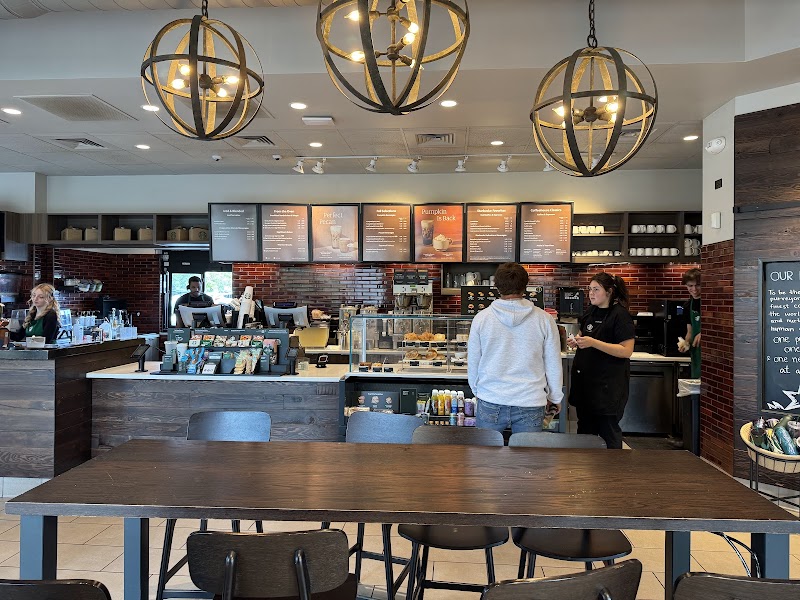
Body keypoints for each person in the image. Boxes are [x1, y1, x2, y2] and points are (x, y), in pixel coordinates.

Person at [468, 262, 563, 433]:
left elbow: (473, 362)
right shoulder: (544, 320)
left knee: (485, 458)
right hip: (531, 401)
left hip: (491, 399)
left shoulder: (482, 318)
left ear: (496, 286)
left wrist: (480, 391)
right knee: (527, 458)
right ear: (525, 286)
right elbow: (553, 363)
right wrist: (554, 397)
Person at [567, 272, 635, 449]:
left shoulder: (620, 316)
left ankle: (612, 473)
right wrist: (576, 341)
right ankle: (584, 475)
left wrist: (593, 343)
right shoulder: (590, 312)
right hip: (586, 386)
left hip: (608, 389)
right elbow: (584, 336)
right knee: (585, 433)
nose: (591, 293)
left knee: (608, 433)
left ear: (609, 291)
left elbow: (626, 351)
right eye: (589, 289)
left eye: (596, 289)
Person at [679, 268, 701, 379]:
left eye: (697, 285)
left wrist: (704, 334)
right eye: (690, 286)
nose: (694, 289)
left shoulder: (710, 303)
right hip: (696, 352)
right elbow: (690, 331)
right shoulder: (687, 306)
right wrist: (685, 343)